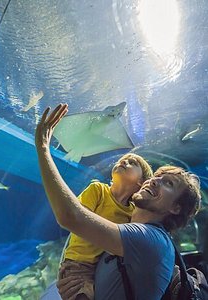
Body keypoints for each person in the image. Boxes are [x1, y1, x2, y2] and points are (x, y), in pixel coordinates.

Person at [35, 104, 201, 300]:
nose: (154, 180)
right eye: (156, 176)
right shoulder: (124, 228)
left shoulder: (149, 238)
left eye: (168, 183)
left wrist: (43, 147)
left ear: (176, 208)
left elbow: (71, 216)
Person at [58, 152, 153, 300]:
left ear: (140, 182)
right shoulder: (98, 190)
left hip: (103, 268)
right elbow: (79, 220)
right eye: (122, 159)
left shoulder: (133, 212)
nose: (124, 162)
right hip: (79, 264)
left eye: (132, 162)